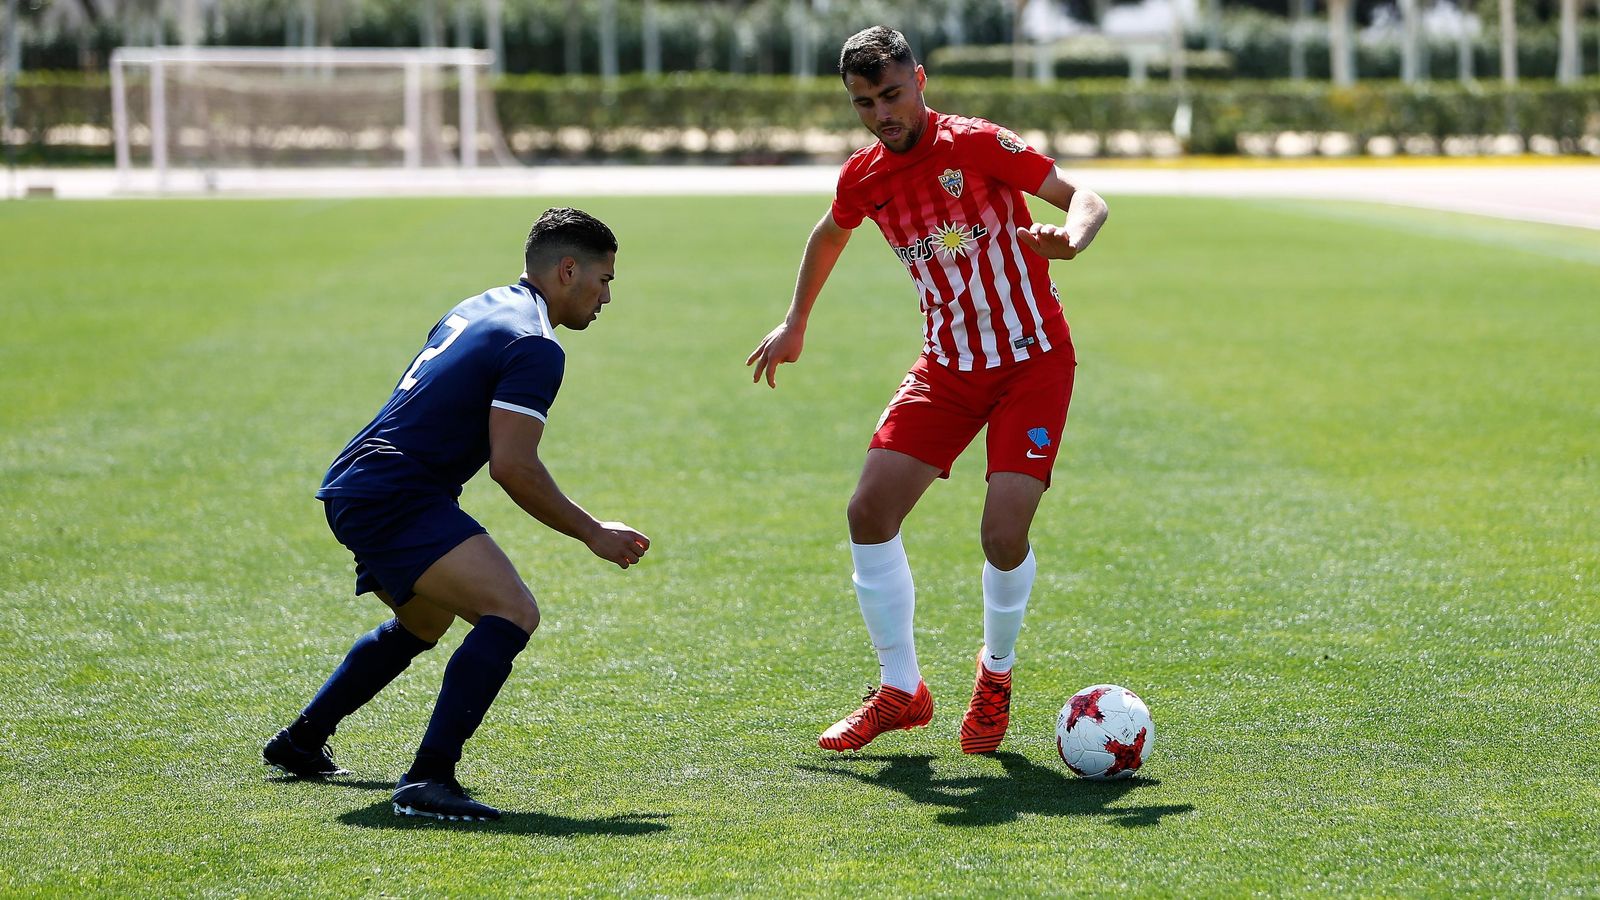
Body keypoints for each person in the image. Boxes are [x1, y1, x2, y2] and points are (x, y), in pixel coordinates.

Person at [746, 26, 1108, 755]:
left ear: (920, 79)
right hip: (947, 367)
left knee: (1003, 535)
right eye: (863, 102)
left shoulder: (975, 144)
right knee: (868, 510)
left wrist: (1073, 236)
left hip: (1033, 361)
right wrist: (796, 318)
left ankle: (995, 673)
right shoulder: (864, 177)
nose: (882, 112)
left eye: (891, 93)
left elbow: (1086, 196)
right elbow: (829, 233)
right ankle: (901, 690)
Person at [263, 207, 650, 821]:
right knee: (512, 611)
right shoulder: (535, 344)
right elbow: (513, 467)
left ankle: (301, 741)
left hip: (360, 483)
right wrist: (592, 531)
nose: (606, 297)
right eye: (604, 280)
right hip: (395, 495)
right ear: (567, 270)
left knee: (423, 624)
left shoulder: (480, 304)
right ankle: (428, 778)